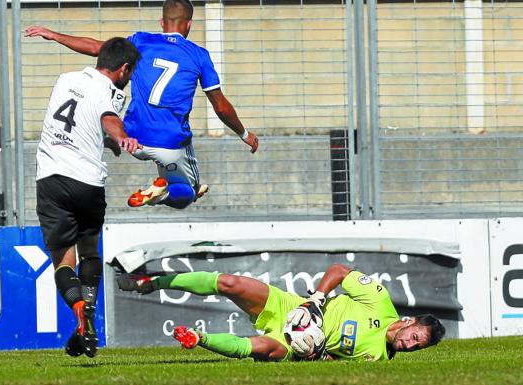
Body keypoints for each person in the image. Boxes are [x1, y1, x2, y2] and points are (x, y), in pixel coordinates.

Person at [25, 0, 259, 210]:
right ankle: (164, 192)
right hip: (170, 144)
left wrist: (54, 35)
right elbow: (220, 107)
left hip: (132, 139)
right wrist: (244, 133)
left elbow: (98, 48)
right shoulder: (199, 55)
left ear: (161, 21)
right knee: (190, 192)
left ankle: (118, 150)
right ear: (189, 24)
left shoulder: (140, 41)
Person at [35, 37, 141, 357]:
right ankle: (89, 317)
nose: (131, 78)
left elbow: (80, 122)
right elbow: (108, 118)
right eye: (131, 72)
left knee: (62, 262)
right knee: (89, 253)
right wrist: (122, 139)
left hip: (51, 178)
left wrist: (54, 35)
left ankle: (80, 311)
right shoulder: (111, 92)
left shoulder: (65, 79)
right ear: (123, 69)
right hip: (87, 182)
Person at [116, 263, 445, 362]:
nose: (411, 344)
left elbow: (335, 363)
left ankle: (198, 338)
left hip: (297, 342)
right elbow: (340, 271)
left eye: (418, 346)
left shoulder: (378, 360)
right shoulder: (380, 301)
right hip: (292, 307)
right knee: (230, 283)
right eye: (415, 337)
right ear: (408, 322)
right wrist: (316, 298)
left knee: (261, 348)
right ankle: (151, 282)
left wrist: (316, 352)